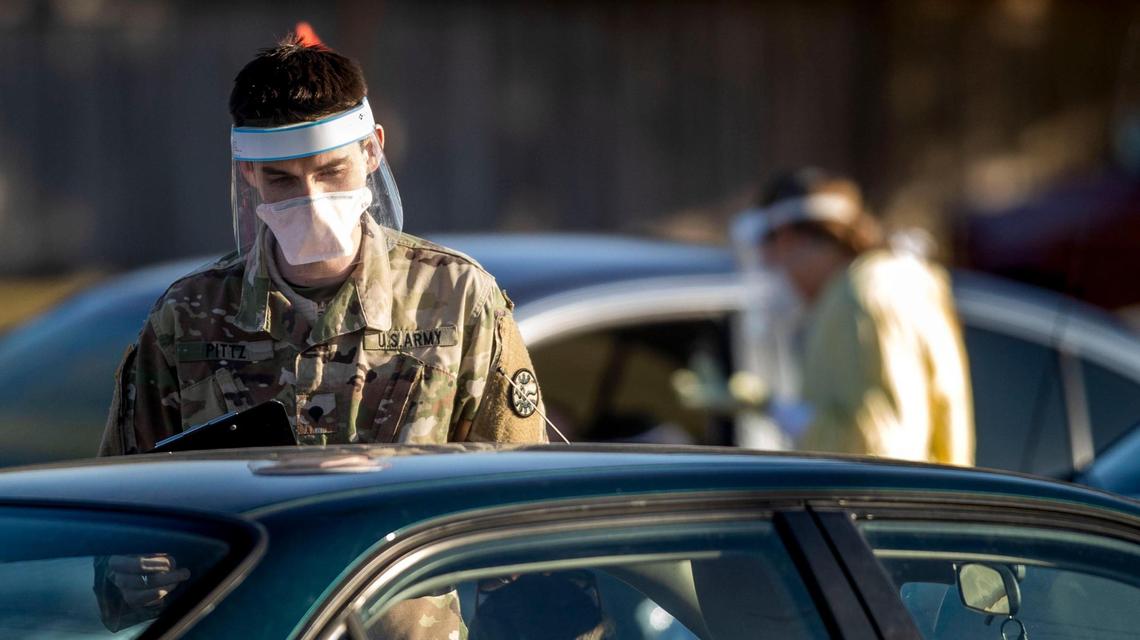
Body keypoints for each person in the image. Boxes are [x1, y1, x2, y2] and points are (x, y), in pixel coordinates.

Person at [94, 33, 547, 632]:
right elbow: (121, 522)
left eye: (331, 171)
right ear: (249, 174)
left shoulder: (457, 301)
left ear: (372, 150)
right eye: (281, 179)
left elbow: (526, 527)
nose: (311, 198)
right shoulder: (187, 318)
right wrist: (132, 572)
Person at [745, 168, 974, 466]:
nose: (780, 271)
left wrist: (780, 411)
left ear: (786, 237)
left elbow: (877, 450)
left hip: (890, 497)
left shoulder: (862, 295)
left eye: (773, 254)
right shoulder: (889, 281)